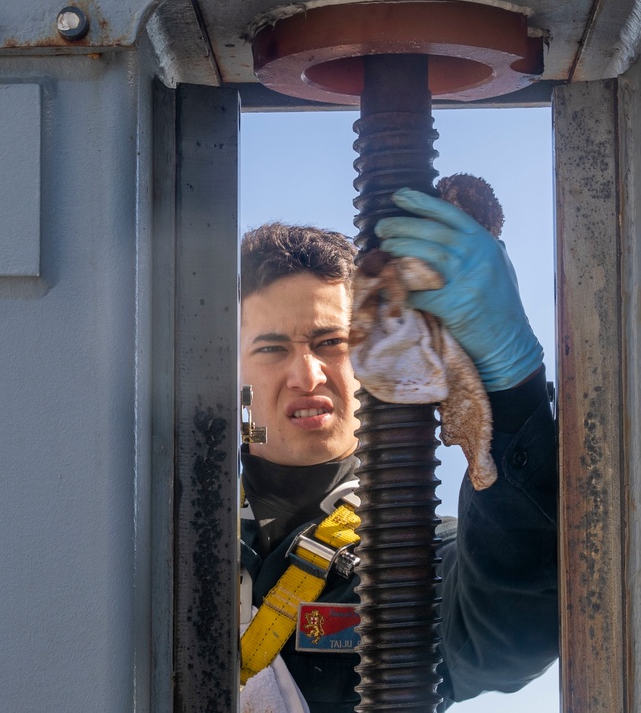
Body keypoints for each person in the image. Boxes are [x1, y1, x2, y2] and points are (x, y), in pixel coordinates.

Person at [238, 188, 558, 712]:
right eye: (271, 348)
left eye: (330, 342)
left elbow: (508, 633)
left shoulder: (418, 549)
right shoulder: (177, 537)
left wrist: (512, 386)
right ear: (234, 376)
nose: (306, 375)